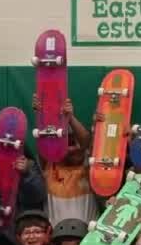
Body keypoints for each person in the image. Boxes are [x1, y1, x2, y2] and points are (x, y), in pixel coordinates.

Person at [32, 96, 98, 225]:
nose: (74, 148)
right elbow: (44, 139)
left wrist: (70, 117)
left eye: (74, 142)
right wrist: (42, 115)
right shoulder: (49, 166)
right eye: (67, 143)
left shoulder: (88, 166)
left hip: (87, 238)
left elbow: (85, 141)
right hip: (56, 239)